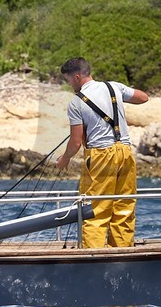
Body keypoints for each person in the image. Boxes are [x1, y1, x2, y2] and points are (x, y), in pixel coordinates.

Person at [54, 57, 151, 248]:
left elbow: (75, 142)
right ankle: (122, 251)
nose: (69, 84)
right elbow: (143, 97)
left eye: (68, 80)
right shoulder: (113, 87)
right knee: (123, 205)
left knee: (96, 209)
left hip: (100, 156)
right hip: (125, 152)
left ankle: (94, 255)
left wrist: (64, 159)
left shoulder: (76, 102)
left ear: (77, 76)